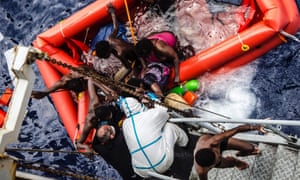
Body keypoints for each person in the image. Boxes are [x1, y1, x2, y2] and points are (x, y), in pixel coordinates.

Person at [118, 96, 189, 178]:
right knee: (169, 127)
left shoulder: (125, 124)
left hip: (142, 171)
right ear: (138, 104)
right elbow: (164, 111)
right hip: (161, 163)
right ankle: (186, 143)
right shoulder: (149, 115)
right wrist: (154, 100)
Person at [92, 3, 146, 81]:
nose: (106, 58)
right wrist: (112, 12)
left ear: (107, 52)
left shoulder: (119, 53)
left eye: (105, 56)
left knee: (133, 77)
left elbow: (129, 65)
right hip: (134, 52)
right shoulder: (110, 39)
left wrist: (144, 65)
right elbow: (116, 27)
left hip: (138, 57)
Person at [193, 124, 266, 180]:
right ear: (209, 167)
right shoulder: (201, 171)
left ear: (212, 149)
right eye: (216, 161)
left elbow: (237, 129)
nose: (220, 157)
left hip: (219, 144)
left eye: (218, 156)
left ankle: (240, 154)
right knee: (231, 163)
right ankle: (236, 162)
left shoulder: (214, 141)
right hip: (211, 157)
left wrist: (256, 127)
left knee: (250, 148)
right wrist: (219, 162)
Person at [75, 78, 124, 151]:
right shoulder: (90, 122)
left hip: (113, 110)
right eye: (108, 117)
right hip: (108, 130)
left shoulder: (95, 102)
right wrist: (86, 147)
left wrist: (108, 92)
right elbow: (78, 143)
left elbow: (91, 80)